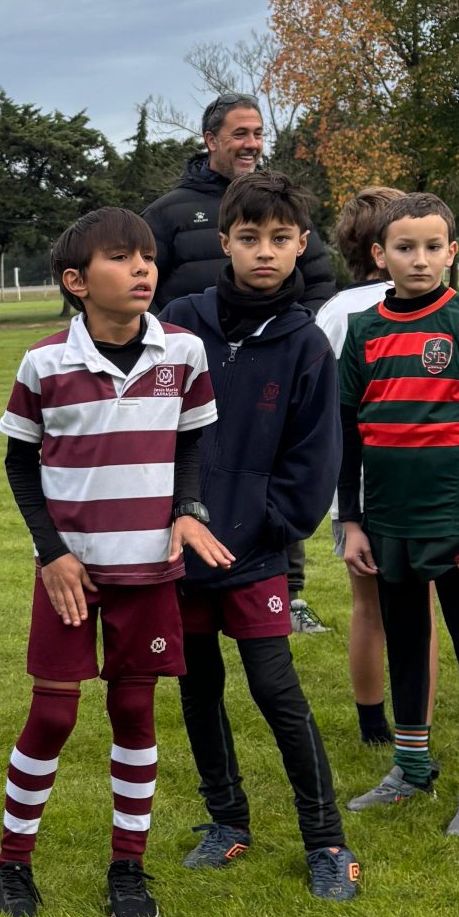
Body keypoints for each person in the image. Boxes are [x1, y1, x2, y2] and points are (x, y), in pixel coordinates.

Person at [0, 206, 225, 917]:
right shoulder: (44, 363)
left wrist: (188, 509)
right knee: (53, 715)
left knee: (133, 711)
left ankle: (128, 867)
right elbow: (20, 463)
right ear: (77, 282)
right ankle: (11, 866)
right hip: (70, 575)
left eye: (146, 255)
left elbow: (192, 442)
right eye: (121, 258)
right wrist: (53, 553)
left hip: (149, 571)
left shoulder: (183, 352)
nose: (142, 267)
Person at [161, 174, 360, 897]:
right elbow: (151, 426)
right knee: (198, 688)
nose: (265, 252)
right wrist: (174, 515)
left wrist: (262, 529)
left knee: (276, 690)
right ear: (226, 243)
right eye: (250, 238)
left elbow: (315, 461)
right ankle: (227, 820)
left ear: (301, 244)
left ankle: (327, 841)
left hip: (254, 554)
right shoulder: (181, 322)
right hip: (181, 548)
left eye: (280, 239)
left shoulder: (306, 344)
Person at [339, 194, 459, 837]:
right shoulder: (363, 329)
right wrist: (352, 521)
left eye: (433, 247)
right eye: (405, 247)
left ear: (451, 252)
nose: (420, 259)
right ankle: (411, 768)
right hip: (387, 522)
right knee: (407, 643)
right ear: (379, 254)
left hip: (457, 522)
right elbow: (347, 435)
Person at [142, 93, 336, 635]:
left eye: (258, 133)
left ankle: (288, 592)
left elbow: (320, 278)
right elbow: (143, 283)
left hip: (269, 367)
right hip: (198, 369)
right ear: (211, 140)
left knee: (271, 469)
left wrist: (288, 333)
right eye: (239, 134)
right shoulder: (169, 212)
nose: (252, 144)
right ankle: (182, 580)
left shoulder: (284, 203)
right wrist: (170, 341)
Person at [316, 188, 439, 747]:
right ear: (381, 248)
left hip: (354, 486)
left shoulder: (331, 313)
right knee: (421, 608)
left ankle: (372, 724)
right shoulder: (425, 306)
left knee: (367, 607)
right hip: (415, 482)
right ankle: (419, 723)